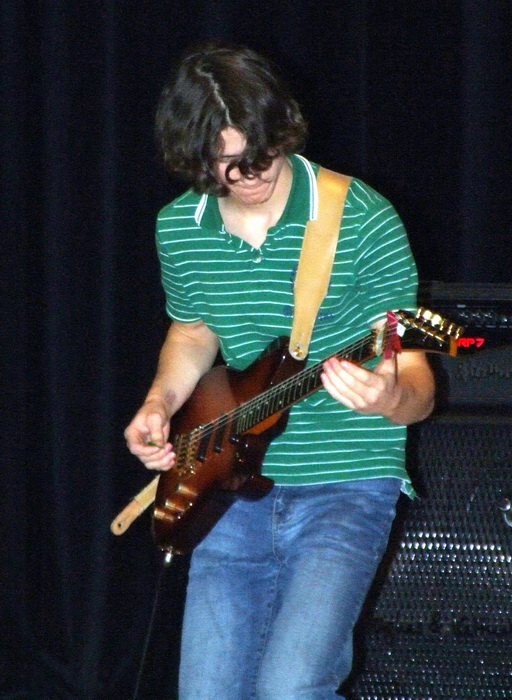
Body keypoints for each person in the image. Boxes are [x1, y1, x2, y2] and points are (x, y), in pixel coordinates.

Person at [124, 40, 435, 700]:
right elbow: (194, 329)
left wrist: (387, 397)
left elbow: (418, 386)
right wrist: (159, 402)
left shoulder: (360, 216)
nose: (251, 173)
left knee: (292, 687)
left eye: (261, 152)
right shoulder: (179, 227)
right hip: (228, 480)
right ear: (192, 156)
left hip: (346, 480)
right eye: (227, 163)